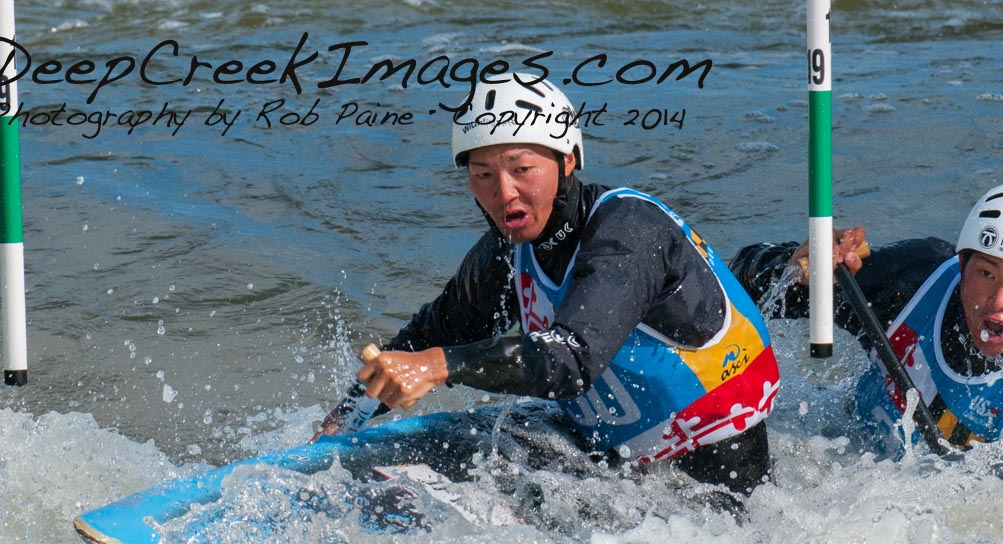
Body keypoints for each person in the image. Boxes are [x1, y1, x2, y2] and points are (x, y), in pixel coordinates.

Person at [316, 74, 781, 497]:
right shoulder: (507, 252)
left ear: (568, 160)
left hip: (713, 485)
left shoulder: (629, 232)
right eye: (483, 175)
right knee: (437, 446)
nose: (503, 193)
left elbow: (570, 360)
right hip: (605, 460)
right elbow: (432, 336)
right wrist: (343, 420)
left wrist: (438, 365)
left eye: (522, 170)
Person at [730, 181, 1003, 475]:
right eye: (985, 273)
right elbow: (742, 279)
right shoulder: (916, 280)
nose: (999, 300)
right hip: (835, 452)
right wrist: (795, 269)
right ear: (962, 264)